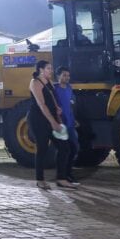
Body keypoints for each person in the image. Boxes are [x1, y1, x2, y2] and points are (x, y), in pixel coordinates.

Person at [28, 60, 75, 190]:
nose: (51, 71)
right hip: (39, 119)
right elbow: (41, 105)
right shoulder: (35, 82)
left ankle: (61, 178)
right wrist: (53, 122)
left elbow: (53, 100)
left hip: (52, 118)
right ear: (41, 70)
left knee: (65, 147)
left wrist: (57, 114)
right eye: (49, 68)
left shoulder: (49, 82)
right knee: (42, 148)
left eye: (51, 68)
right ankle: (40, 179)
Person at [53, 66, 81, 184]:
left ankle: (68, 173)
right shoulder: (54, 89)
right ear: (58, 76)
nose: (67, 77)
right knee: (64, 150)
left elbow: (70, 106)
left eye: (68, 75)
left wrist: (73, 119)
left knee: (74, 148)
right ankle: (62, 175)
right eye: (64, 75)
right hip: (60, 124)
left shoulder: (69, 88)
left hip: (70, 123)